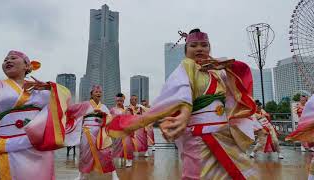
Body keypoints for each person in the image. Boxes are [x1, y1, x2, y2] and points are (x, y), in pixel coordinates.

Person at [107, 29, 258, 179]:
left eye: (204, 45)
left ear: (209, 48)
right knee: (197, 175)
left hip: (225, 135)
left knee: (239, 173)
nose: (199, 48)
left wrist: (228, 65)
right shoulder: (187, 66)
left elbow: (241, 80)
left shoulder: (218, 71)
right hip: (198, 137)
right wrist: (185, 111)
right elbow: (182, 90)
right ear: (186, 51)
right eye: (194, 45)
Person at [0, 50, 71, 180]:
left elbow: (66, 98)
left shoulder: (41, 88)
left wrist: (48, 87)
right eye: (5, 59)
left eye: (13, 58)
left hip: (36, 144)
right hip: (5, 142)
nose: (8, 61)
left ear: (27, 66)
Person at [66, 85, 119, 180]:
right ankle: (80, 175)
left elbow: (110, 117)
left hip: (100, 132)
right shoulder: (85, 105)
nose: (98, 93)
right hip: (87, 131)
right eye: (96, 92)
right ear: (91, 94)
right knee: (84, 154)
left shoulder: (103, 106)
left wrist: (104, 121)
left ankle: (114, 175)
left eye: (100, 92)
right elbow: (72, 111)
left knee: (106, 153)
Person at [286, 95, 314, 180]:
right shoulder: (300, 106)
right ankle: (303, 146)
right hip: (304, 122)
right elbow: (299, 112)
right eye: (301, 99)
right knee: (303, 135)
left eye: (304, 99)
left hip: (309, 122)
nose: (302, 100)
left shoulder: (308, 105)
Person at [110, 93, 134, 167]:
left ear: (123, 101)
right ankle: (119, 158)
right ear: (115, 100)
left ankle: (129, 160)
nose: (119, 102)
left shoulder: (127, 109)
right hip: (117, 130)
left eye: (121, 101)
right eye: (118, 101)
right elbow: (111, 119)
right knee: (117, 145)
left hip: (126, 130)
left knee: (128, 145)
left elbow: (131, 119)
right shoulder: (112, 110)